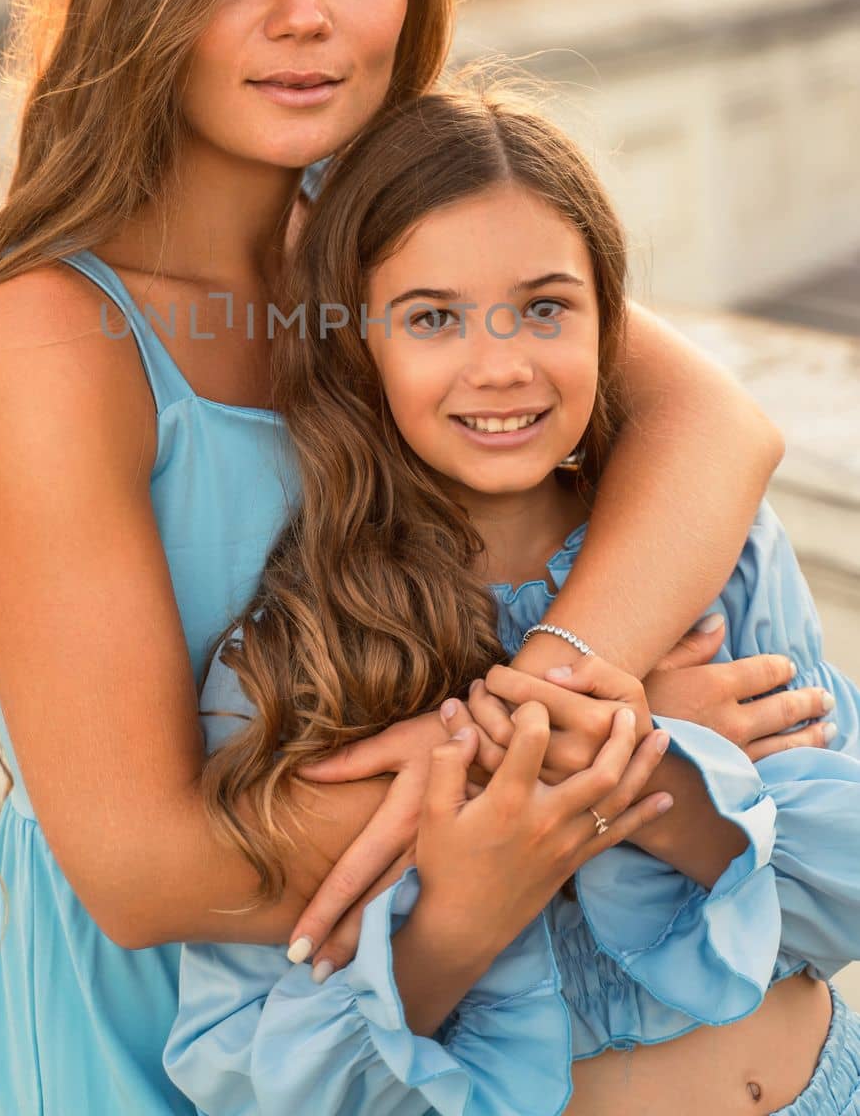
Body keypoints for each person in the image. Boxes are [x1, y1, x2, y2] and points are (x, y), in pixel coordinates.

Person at [0, 0, 794, 1115]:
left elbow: (715, 426)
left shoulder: (376, 258)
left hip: (417, 1002)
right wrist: (613, 760)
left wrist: (556, 702)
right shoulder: (51, 341)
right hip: (170, 1014)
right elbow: (142, 870)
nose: (303, 13)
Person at [163, 86, 860, 1116]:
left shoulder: (716, 558)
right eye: (432, 317)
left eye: (543, 307)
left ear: (605, 318)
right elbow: (270, 1084)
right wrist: (465, 908)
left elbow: (838, 891)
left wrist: (651, 762)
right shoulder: (288, 658)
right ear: (357, 347)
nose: (499, 366)